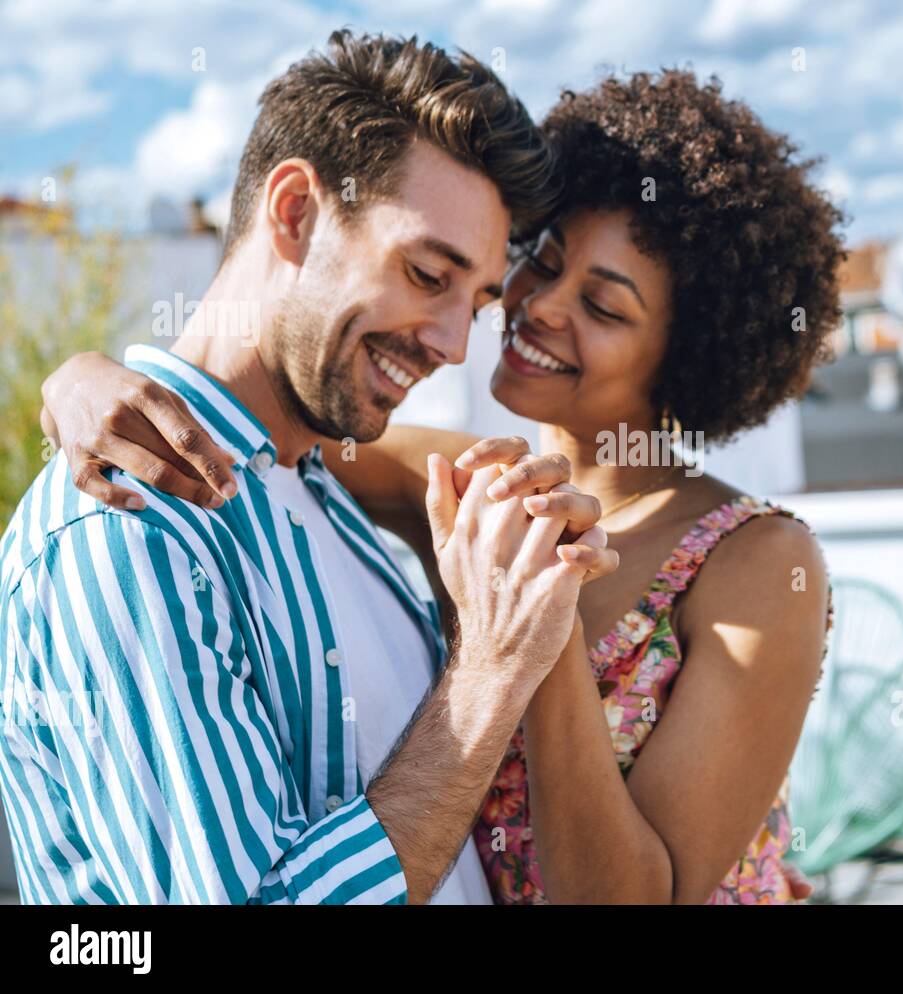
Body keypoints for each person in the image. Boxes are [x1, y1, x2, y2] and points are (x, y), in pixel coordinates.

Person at [38, 67, 844, 903]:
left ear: (689, 358)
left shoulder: (753, 563)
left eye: (603, 307)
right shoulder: (471, 487)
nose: (536, 307)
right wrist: (80, 383)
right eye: (544, 264)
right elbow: (267, 430)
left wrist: (540, 611)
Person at [0, 29, 616, 905]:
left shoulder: (332, 497)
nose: (451, 344)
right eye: (426, 272)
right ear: (295, 213)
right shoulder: (128, 522)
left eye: (476, 304)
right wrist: (489, 671)